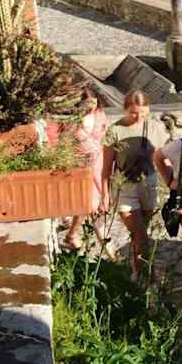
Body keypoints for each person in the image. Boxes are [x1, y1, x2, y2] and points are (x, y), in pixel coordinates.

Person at [103, 89, 168, 273]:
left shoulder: (155, 128)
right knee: (140, 235)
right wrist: (105, 194)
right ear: (125, 109)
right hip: (125, 188)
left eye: (142, 112)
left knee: (141, 235)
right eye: (133, 112)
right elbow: (106, 167)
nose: (138, 116)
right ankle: (146, 276)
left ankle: (135, 269)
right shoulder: (115, 131)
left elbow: (164, 158)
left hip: (149, 185)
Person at [64, 89, 110, 251]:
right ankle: (72, 235)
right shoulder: (73, 120)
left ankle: (106, 249)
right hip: (81, 166)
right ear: (80, 102)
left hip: (98, 163)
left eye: (94, 102)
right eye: (88, 102)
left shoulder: (101, 116)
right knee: (87, 204)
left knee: (97, 205)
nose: (91, 105)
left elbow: (106, 138)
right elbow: (68, 143)